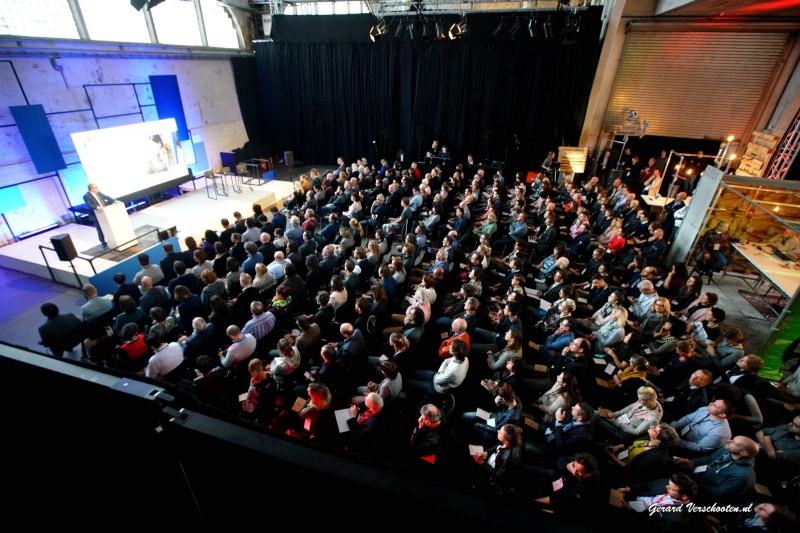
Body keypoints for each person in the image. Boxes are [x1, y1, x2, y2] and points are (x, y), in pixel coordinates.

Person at [672, 436, 759, 501]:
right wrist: (692, 462)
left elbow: (718, 493)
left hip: (702, 491)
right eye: (732, 439)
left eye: (734, 443)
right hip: (696, 476)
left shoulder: (742, 476)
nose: (729, 441)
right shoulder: (728, 449)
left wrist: (691, 483)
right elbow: (710, 458)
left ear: (743, 453)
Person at [471, 423, 524, 492]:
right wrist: (485, 453)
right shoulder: (505, 443)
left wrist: (482, 463)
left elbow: (497, 476)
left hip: (491, 474)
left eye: (500, 433)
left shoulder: (506, 458)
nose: (497, 431)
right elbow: (497, 447)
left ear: (506, 441)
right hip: (489, 462)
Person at [83, 182, 121, 249]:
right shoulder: (86, 196)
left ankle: (113, 240)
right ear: (91, 189)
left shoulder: (99, 193)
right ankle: (103, 244)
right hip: (96, 215)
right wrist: (97, 207)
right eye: (96, 188)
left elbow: (106, 197)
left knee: (109, 227)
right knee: (100, 229)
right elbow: (89, 205)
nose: (97, 189)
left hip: (105, 213)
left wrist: (114, 201)